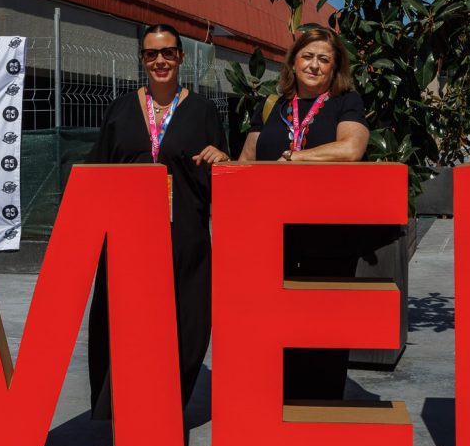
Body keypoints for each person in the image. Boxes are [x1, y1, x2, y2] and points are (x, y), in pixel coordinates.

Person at [88, 23, 230, 417]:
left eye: (168, 52)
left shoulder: (201, 111)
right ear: (142, 59)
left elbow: (221, 174)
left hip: (184, 237)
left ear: (181, 57)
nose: (160, 60)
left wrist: (221, 159)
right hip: (128, 237)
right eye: (151, 54)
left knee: (187, 320)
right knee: (125, 320)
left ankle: (166, 405)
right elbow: (98, 172)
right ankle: (123, 405)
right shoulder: (120, 109)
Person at [239, 26, 371, 400]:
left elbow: (350, 149)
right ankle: (273, 405)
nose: (314, 65)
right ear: (293, 62)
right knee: (272, 325)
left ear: (335, 67)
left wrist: (295, 157)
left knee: (324, 326)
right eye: (307, 56)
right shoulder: (272, 106)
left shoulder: (346, 102)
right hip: (271, 237)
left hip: (327, 238)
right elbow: (247, 161)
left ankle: (320, 409)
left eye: (324, 59)